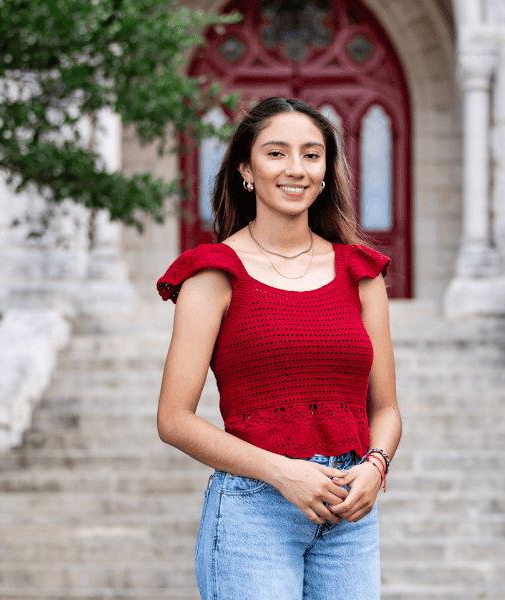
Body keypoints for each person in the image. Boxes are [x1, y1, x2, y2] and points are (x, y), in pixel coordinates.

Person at [156, 97, 401, 600]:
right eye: (276, 153)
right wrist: (283, 473)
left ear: (328, 171)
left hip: (349, 514)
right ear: (246, 169)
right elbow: (174, 420)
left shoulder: (361, 272)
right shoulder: (213, 273)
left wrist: (376, 467)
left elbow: (387, 409)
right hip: (254, 509)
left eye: (312, 155)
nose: (296, 169)